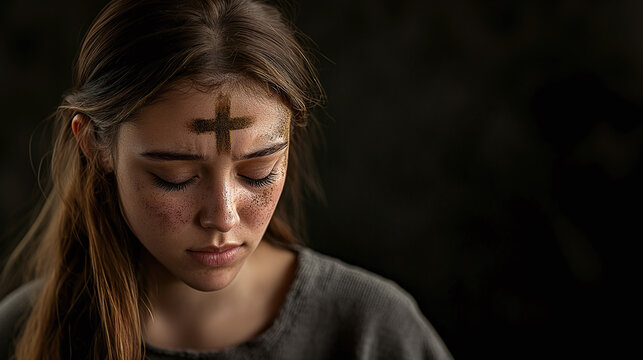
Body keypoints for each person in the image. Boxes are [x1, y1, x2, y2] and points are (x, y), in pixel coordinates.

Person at [0, 0, 452, 359]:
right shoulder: (22, 334)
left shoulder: (369, 327)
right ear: (96, 147)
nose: (223, 216)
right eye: (173, 177)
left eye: (259, 172)